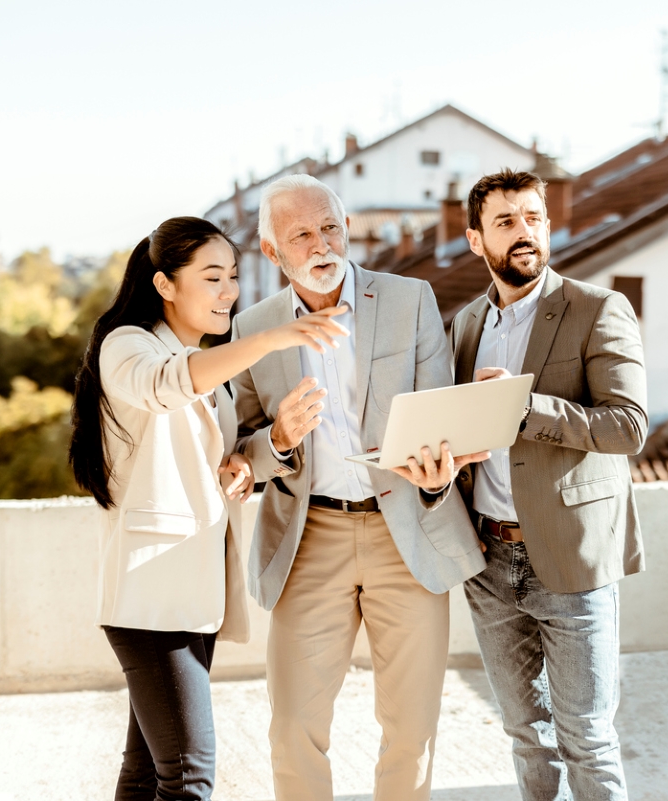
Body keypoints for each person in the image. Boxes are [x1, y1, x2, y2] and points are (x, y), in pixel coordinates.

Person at [68, 216, 348, 801]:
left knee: (147, 773)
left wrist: (262, 449)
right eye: (213, 277)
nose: (230, 292)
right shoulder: (129, 346)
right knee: (190, 775)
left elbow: (218, 457)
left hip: (194, 595)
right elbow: (166, 385)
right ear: (165, 284)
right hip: (149, 596)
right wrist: (274, 338)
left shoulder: (198, 360)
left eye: (235, 277)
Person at [229, 174, 488, 801]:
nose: (322, 245)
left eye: (331, 228)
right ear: (272, 253)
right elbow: (241, 451)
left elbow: (438, 415)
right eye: (302, 235)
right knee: (293, 726)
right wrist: (280, 441)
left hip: (407, 532)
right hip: (307, 535)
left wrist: (437, 472)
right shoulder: (252, 330)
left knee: (411, 730)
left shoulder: (410, 298)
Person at [450, 169, 649, 801]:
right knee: (523, 733)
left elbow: (628, 426)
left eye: (533, 218)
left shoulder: (598, 309)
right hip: (488, 558)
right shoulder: (465, 326)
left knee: (587, 737)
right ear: (476, 239)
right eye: (505, 222)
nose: (524, 233)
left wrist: (522, 408)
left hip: (570, 556)